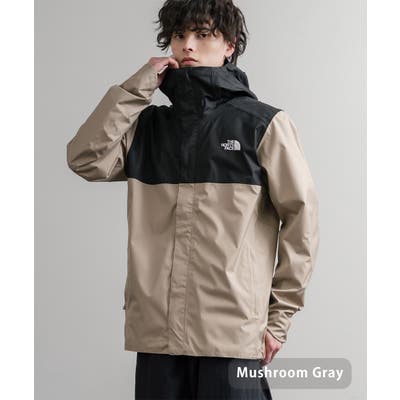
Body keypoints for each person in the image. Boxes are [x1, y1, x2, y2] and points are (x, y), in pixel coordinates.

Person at [66, 0, 320, 398]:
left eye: (202, 35)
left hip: (231, 335)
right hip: (159, 337)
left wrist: (278, 320)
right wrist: (137, 87)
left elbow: (302, 224)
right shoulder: (148, 129)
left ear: (229, 45)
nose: (187, 45)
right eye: (179, 35)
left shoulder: (262, 125)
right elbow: (85, 158)